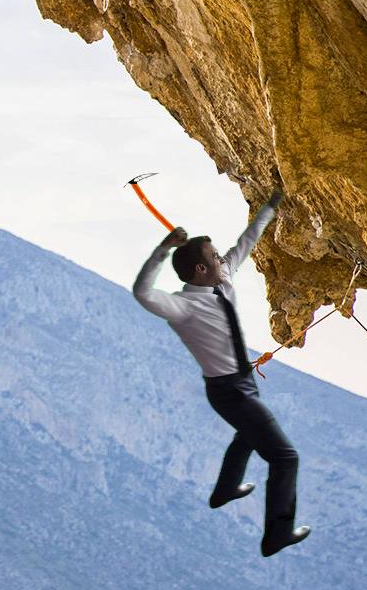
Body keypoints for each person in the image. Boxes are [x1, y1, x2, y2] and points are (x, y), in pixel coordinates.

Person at [132, 189, 310, 557]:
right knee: (285, 457)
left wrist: (272, 205)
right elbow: (142, 292)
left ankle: (225, 490)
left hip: (241, 380)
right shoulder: (182, 307)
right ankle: (277, 534)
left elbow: (246, 242)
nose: (221, 258)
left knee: (248, 435)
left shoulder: (221, 280)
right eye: (213, 257)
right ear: (200, 269)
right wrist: (163, 249)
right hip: (228, 390)